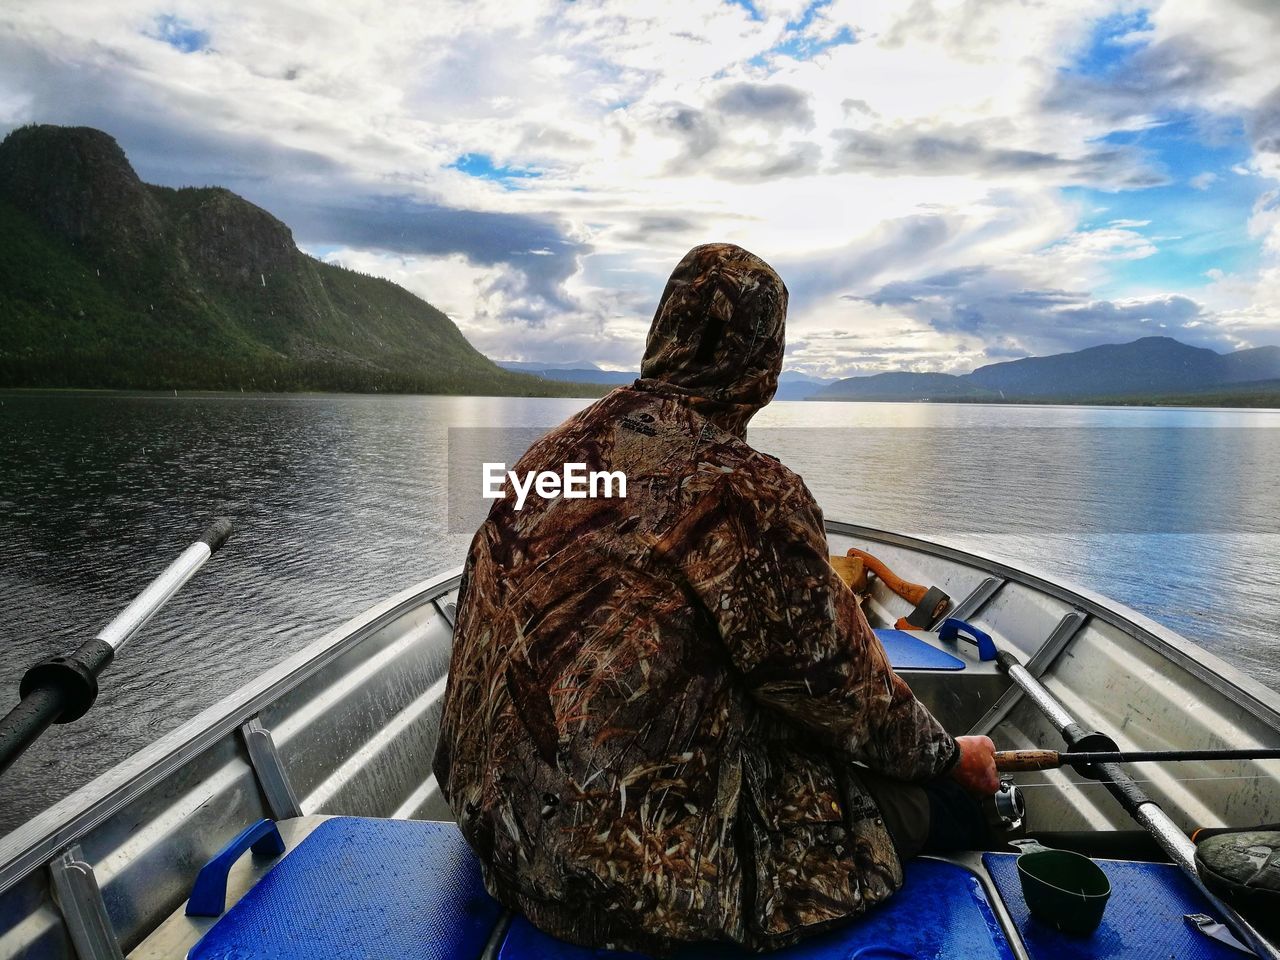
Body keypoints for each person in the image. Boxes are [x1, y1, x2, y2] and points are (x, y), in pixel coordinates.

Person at [434, 242, 999, 955]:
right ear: (765, 363)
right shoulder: (747, 491)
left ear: (663, 332)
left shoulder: (546, 457)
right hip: (626, 881)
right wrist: (952, 756)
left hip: (499, 839)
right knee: (943, 800)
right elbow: (840, 692)